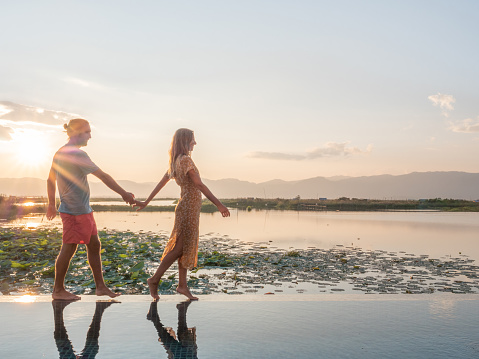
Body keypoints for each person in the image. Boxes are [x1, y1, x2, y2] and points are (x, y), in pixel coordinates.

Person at [134, 128, 230, 301]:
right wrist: (219, 204)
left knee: (184, 246)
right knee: (179, 248)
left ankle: (182, 285)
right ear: (185, 141)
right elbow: (199, 185)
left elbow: (160, 183)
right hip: (188, 208)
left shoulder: (176, 160)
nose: (195, 143)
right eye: (193, 139)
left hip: (187, 207)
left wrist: (146, 202)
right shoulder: (185, 160)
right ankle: (154, 279)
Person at [47, 118, 135, 301]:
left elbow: (50, 180)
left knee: (94, 245)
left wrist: (51, 204)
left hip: (82, 209)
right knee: (68, 248)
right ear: (77, 133)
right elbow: (102, 175)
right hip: (74, 210)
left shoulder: (60, 152)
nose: (90, 136)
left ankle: (101, 287)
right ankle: (58, 290)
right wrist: (124, 194)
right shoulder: (76, 154)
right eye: (87, 132)